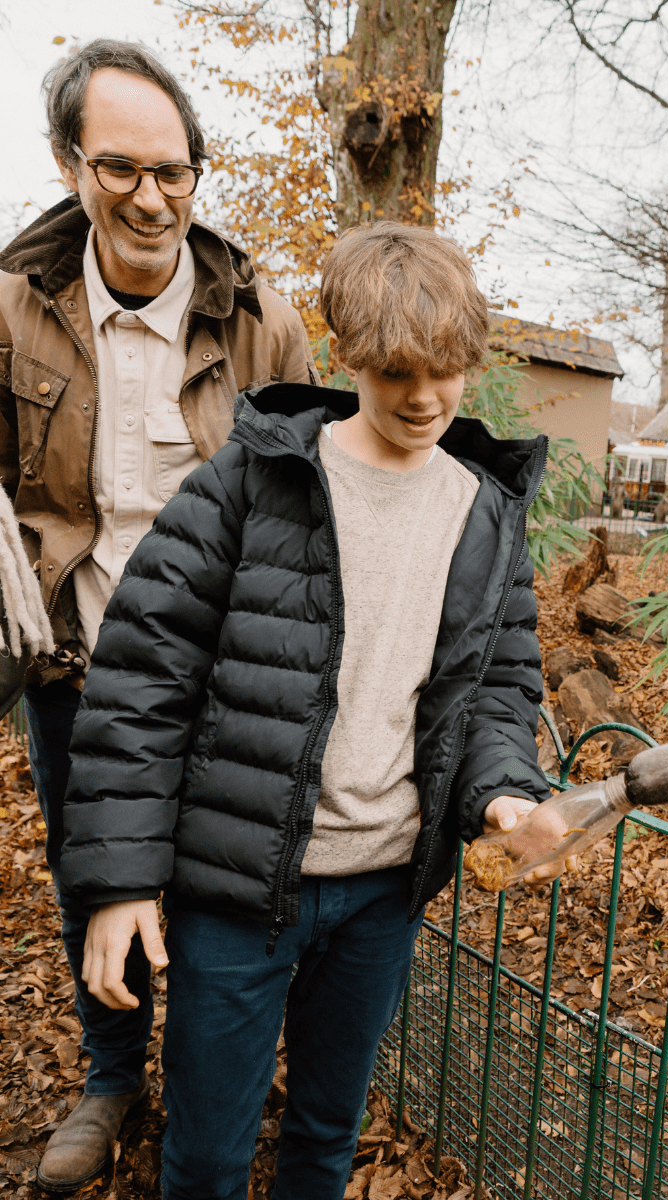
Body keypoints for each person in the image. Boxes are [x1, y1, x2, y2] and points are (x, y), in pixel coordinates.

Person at [57, 220, 551, 1199]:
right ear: (348, 353)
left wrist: (502, 794)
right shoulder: (256, 478)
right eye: (395, 373)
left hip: (382, 890)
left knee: (327, 1135)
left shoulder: (487, 509)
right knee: (207, 1154)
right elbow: (139, 678)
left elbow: (499, 683)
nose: (423, 398)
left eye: (444, 372)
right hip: (238, 890)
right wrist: (117, 884)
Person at [0, 39, 318, 1191]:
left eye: (173, 170)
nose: (150, 195)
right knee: (95, 874)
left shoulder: (260, 325)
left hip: (226, 676)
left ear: (196, 173)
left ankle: (212, 1078)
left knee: (220, 880)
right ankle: (108, 1076)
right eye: (120, 167)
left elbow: (301, 507)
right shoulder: (12, 310)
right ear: (70, 164)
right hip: (78, 667)